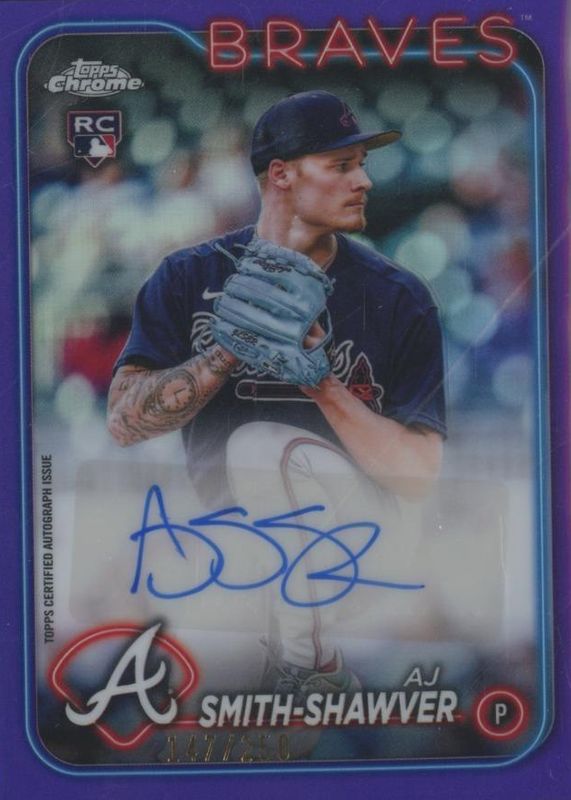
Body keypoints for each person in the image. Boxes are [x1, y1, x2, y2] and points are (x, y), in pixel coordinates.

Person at [107, 90, 446, 697]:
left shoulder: (397, 296)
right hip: (237, 559)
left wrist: (322, 383)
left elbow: (418, 475)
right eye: (342, 165)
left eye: (362, 164)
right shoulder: (188, 277)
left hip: (358, 552)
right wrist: (223, 353)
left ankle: (308, 666)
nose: (364, 181)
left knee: (261, 447)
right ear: (282, 175)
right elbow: (124, 423)